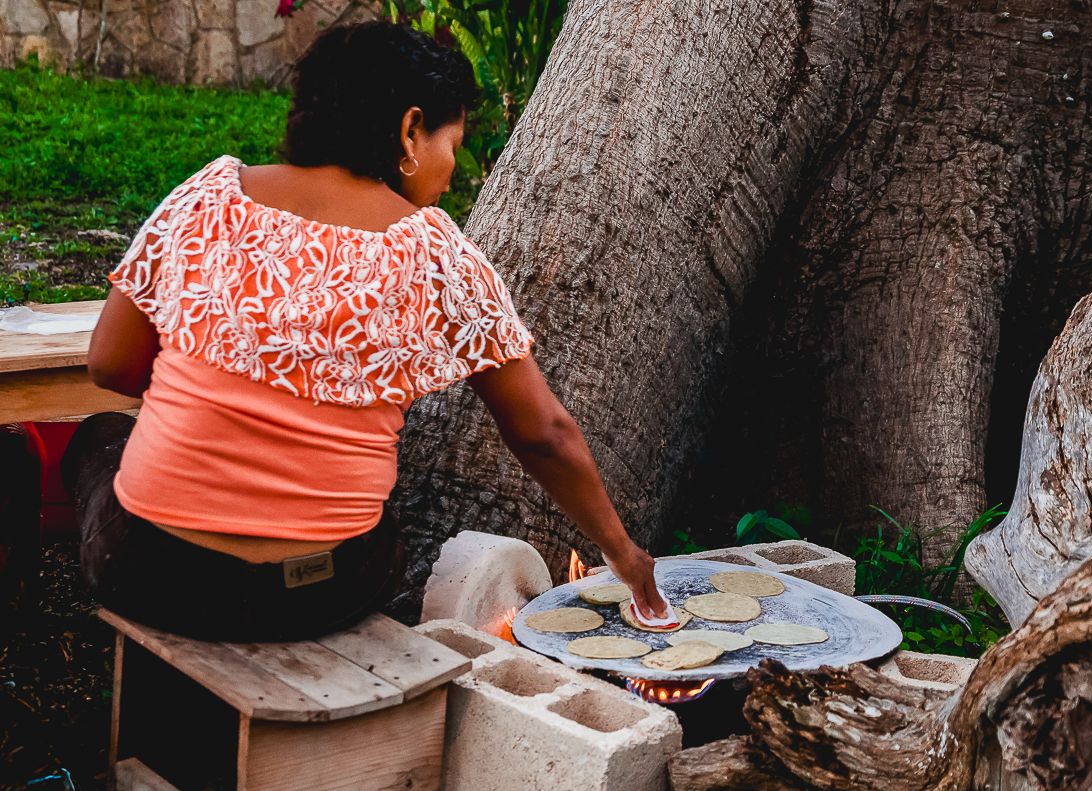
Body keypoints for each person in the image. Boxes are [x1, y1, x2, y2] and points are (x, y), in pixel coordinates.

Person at [64, 21, 677, 642]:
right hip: (321, 592)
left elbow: (110, 367)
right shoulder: (439, 254)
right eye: (453, 142)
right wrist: (624, 554)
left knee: (100, 436)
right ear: (410, 130)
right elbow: (544, 433)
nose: (453, 168)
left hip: (149, 574)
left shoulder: (208, 198)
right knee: (374, 528)